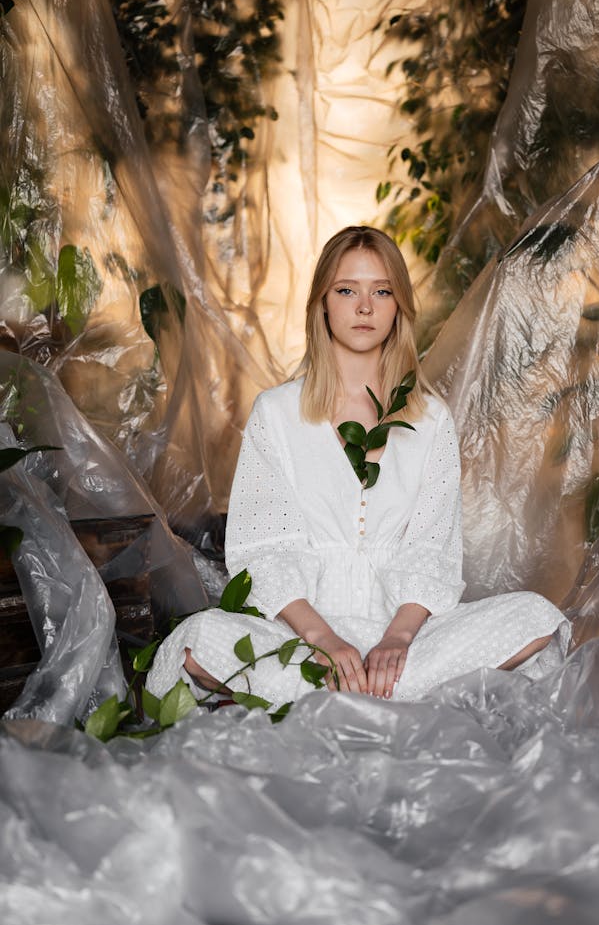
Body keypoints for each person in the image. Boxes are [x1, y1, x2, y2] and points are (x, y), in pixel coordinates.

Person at [147, 226, 568, 708]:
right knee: (197, 640)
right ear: (322, 303)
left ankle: (371, 688)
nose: (364, 307)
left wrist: (397, 642)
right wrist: (324, 644)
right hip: (302, 640)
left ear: (398, 307)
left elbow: (433, 551)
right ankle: (382, 693)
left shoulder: (431, 420)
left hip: (410, 640)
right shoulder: (277, 412)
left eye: (381, 291)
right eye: (347, 290)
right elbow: (264, 551)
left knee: (535, 616)